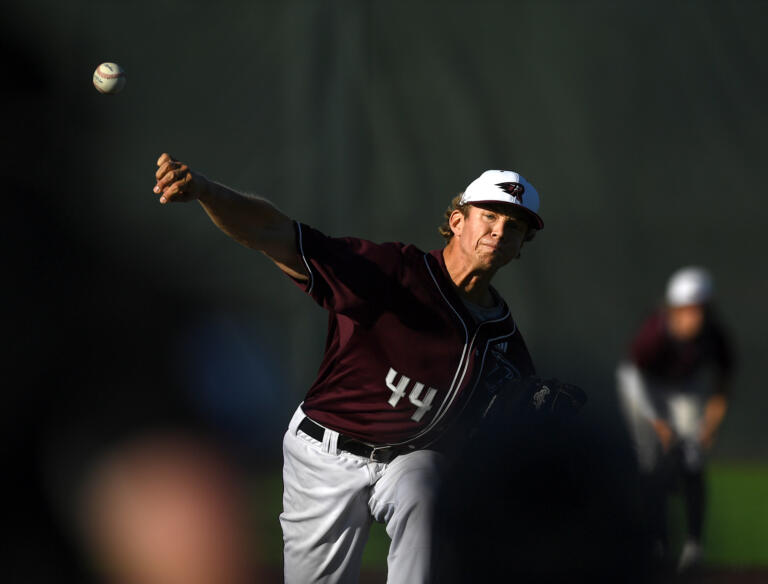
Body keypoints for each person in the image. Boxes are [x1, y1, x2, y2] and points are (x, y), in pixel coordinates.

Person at [152, 154, 544, 583]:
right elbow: (275, 232)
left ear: (522, 245)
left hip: (405, 463)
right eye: (489, 216)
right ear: (457, 221)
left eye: (515, 226)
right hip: (326, 453)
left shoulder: (505, 343)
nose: (499, 231)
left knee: (426, 480)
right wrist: (207, 191)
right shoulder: (394, 273)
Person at [616, 266, 734, 573]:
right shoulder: (656, 331)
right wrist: (658, 423)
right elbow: (632, 377)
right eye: (683, 309)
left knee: (692, 460)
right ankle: (656, 543)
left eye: (697, 309)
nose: (690, 316)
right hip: (644, 388)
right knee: (650, 464)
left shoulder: (713, 335)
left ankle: (694, 545)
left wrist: (710, 424)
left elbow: (723, 381)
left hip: (684, 389)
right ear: (673, 309)